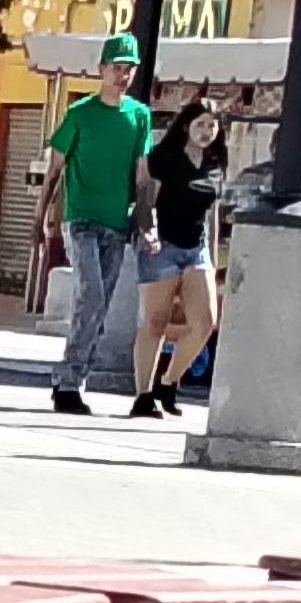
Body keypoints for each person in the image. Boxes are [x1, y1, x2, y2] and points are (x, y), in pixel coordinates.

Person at [40, 32, 152, 416]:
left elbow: (141, 176)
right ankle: (68, 381)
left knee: (99, 306)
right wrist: (41, 219)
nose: (122, 76)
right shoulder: (80, 114)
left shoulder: (139, 116)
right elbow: (54, 168)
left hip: (117, 223)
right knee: (91, 295)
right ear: (101, 69)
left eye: (128, 70)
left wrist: (146, 222)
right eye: (116, 68)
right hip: (81, 219)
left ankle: (74, 378)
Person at [129, 98, 223, 421]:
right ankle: (144, 395)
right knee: (154, 321)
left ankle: (168, 383)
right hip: (161, 245)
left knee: (205, 322)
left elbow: (212, 212)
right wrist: (147, 231)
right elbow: (146, 197)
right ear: (186, 126)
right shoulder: (164, 158)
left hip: (195, 249)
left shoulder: (215, 163)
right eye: (200, 124)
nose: (206, 131)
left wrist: (210, 253)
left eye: (212, 125)